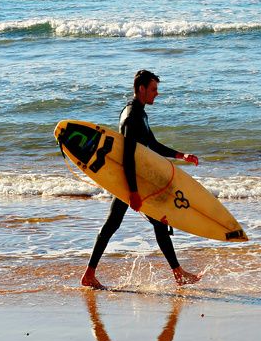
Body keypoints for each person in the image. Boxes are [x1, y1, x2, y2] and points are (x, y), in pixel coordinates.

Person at [81, 70, 201, 289]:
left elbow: (152, 144)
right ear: (141, 89)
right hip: (129, 181)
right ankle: (178, 274)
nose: (157, 93)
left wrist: (181, 155)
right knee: (120, 224)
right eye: (153, 89)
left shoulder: (140, 113)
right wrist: (133, 192)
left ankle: (90, 274)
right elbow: (127, 157)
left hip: (134, 179)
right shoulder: (131, 117)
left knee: (121, 224)